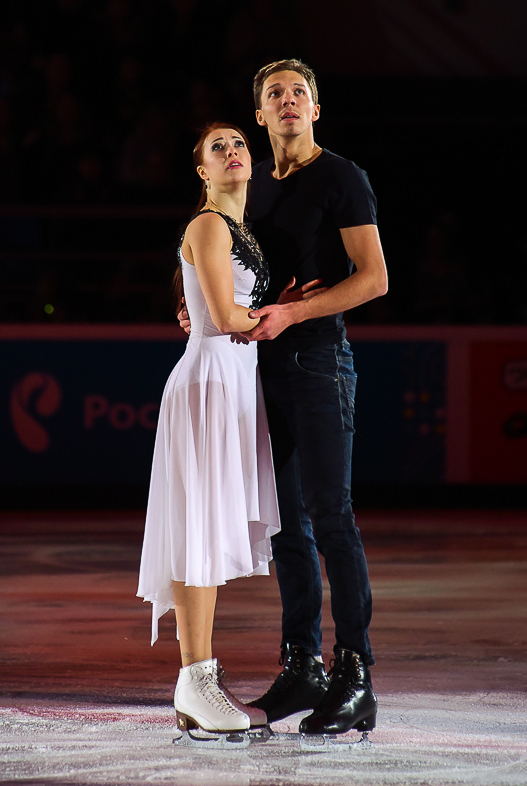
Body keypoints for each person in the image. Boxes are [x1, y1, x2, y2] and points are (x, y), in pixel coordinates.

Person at [179, 60, 388, 736]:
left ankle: (354, 674)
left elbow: (375, 278)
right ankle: (303, 663)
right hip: (261, 369)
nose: (289, 101)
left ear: (316, 111)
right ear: (262, 117)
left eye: (300, 93)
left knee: (330, 515)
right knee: (286, 526)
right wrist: (201, 313)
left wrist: (294, 316)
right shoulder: (253, 189)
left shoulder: (342, 178)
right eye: (275, 95)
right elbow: (232, 276)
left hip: (320, 361)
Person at [137, 123, 286, 736]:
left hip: (232, 384)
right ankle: (196, 678)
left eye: (239, 144)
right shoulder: (208, 225)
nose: (232, 152)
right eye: (217, 148)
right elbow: (226, 317)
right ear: (202, 171)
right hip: (207, 385)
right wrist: (287, 312)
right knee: (197, 528)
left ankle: (196, 682)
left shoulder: (241, 231)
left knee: (206, 526)